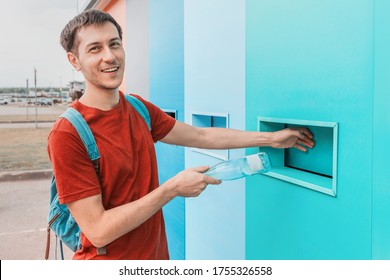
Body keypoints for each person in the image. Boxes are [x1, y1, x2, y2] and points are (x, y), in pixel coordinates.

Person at [48, 9, 314, 260]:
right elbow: (98, 230)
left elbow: (201, 136)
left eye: (114, 43)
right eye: (95, 48)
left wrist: (271, 139)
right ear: (75, 61)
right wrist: (172, 189)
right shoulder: (68, 133)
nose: (110, 56)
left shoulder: (139, 109)